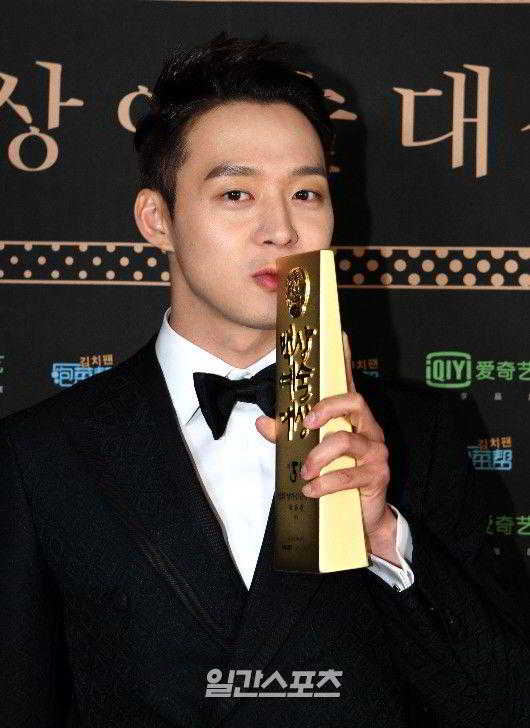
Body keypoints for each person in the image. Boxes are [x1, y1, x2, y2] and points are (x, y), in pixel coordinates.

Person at [1, 31, 528, 728]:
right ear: (157, 218)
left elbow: (500, 702)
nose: (281, 229)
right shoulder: (40, 455)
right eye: (236, 193)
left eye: (306, 192)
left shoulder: (419, 435)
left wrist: (383, 536)